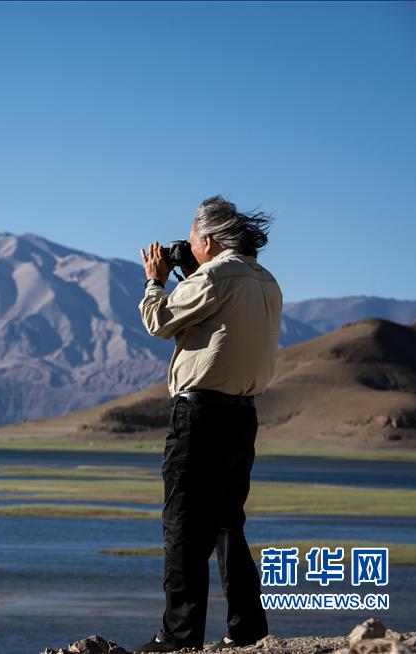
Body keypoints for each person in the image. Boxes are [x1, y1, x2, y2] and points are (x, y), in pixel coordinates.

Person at [131, 195, 283, 653]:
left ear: (208, 240)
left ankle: (178, 637)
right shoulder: (265, 280)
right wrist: (190, 277)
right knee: (226, 523)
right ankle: (248, 627)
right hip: (243, 414)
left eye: (194, 240)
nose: (189, 247)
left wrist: (155, 282)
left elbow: (159, 322)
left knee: (183, 523)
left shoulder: (215, 277)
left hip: (198, 414)